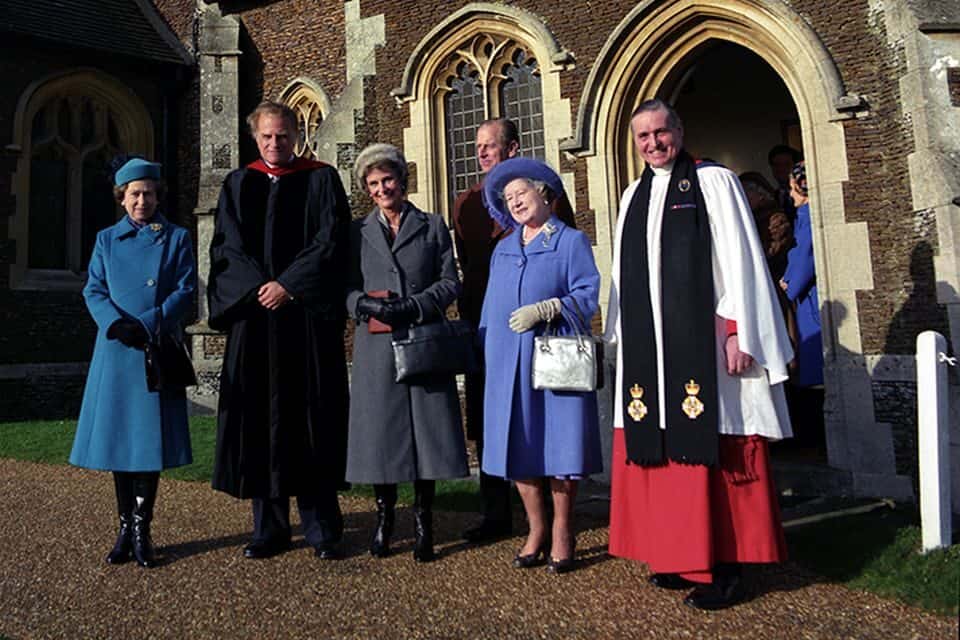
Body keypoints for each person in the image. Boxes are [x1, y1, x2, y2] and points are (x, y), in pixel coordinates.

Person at [606, 99, 794, 609]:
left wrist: (738, 330)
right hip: (653, 356)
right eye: (642, 136)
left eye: (661, 132)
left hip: (707, 350)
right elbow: (626, 281)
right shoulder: (632, 197)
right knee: (659, 449)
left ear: (680, 131)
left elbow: (739, 259)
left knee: (716, 444)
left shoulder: (713, 182)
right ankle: (674, 555)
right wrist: (621, 338)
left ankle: (725, 567)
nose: (653, 143)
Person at [208, 101, 351, 560]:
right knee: (260, 421)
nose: (275, 144)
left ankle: (322, 527)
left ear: (297, 134)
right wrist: (259, 289)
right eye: (267, 136)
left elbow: (331, 240)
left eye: (283, 135)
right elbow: (226, 248)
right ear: (256, 137)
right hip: (255, 322)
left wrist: (289, 285)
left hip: (305, 321)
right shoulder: (238, 183)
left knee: (312, 416)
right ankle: (268, 528)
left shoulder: (321, 179)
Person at [453, 118, 577, 544]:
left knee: (542, 421)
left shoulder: (547, 197)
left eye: (491, 145)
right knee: (491, 420)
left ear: (513, 149)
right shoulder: (465, 205)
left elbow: (568, 256)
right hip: (489, 330)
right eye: (478, 146)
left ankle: (549, 523)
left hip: (543, 332)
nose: (482, 153)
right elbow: (468, 266)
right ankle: (495, 514)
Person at [70, 156, 197, 568]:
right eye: (134, 194)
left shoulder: (176, 237)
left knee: (146, 443)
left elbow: (185, 289)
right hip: (115, 350)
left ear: (159, 195)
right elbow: (93, 289)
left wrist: (148, 323)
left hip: (153, 348)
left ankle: (143, 529)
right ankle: (125, 528)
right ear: (122, 198)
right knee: (121, 443)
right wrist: (114, 324)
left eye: (149, 193)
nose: (142, 200)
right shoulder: (106, 240)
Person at [346, 143, 469, 562]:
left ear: (402, 180)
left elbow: (450, 280)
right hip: (376, 345)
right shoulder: (356, 232)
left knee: (426, 438)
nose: (383, 189)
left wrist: (417, 305)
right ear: (367, 189)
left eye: (388, 180)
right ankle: (384, 521)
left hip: (422, 342)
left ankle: (423, 523)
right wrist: (363, 304)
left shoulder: (433, 226)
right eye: (374, 183)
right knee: (382, 437)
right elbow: (343, 287)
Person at [479, 157, 602, 574]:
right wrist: (485, 344)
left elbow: (588, 296)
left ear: (544, 194)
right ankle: (536, 528)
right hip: (505, 363)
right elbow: (488, 308)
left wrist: (551, 307)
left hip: (554, 358)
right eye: (508, 198)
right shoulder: (503, 248)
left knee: (559, 447)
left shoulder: (570, 241)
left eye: (522, 194)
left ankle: (564, 529)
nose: (515, 202)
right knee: (520, 446)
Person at [779, 161, 826, 448]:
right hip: (806, 304)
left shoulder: (808, 215)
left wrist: (788, 280)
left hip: (811, 306)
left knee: (813, 374)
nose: (791, 194)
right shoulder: (801, 215)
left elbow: (805, 253)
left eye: (793, 187)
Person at [767, 144, 802, 220]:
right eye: (777, 165)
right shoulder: (771, 197)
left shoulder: (803, 194)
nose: (781, 169)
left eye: (787, 164)